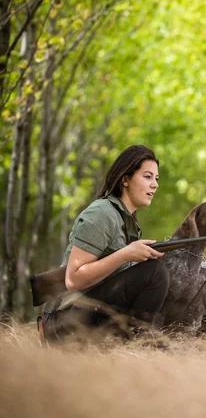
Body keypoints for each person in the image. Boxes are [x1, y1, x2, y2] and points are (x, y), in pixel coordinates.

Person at [46, 145, 170, 340]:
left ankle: (134, 345)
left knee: (158, 269)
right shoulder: (102, 213)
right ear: (126, 179)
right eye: (147, 177)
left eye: (156, 179)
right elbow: (73, 280)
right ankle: (135, 345)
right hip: (65, 322)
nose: (154, 184)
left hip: (90, 315)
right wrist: (126, 254)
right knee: (155, 273)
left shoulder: (126, 221)